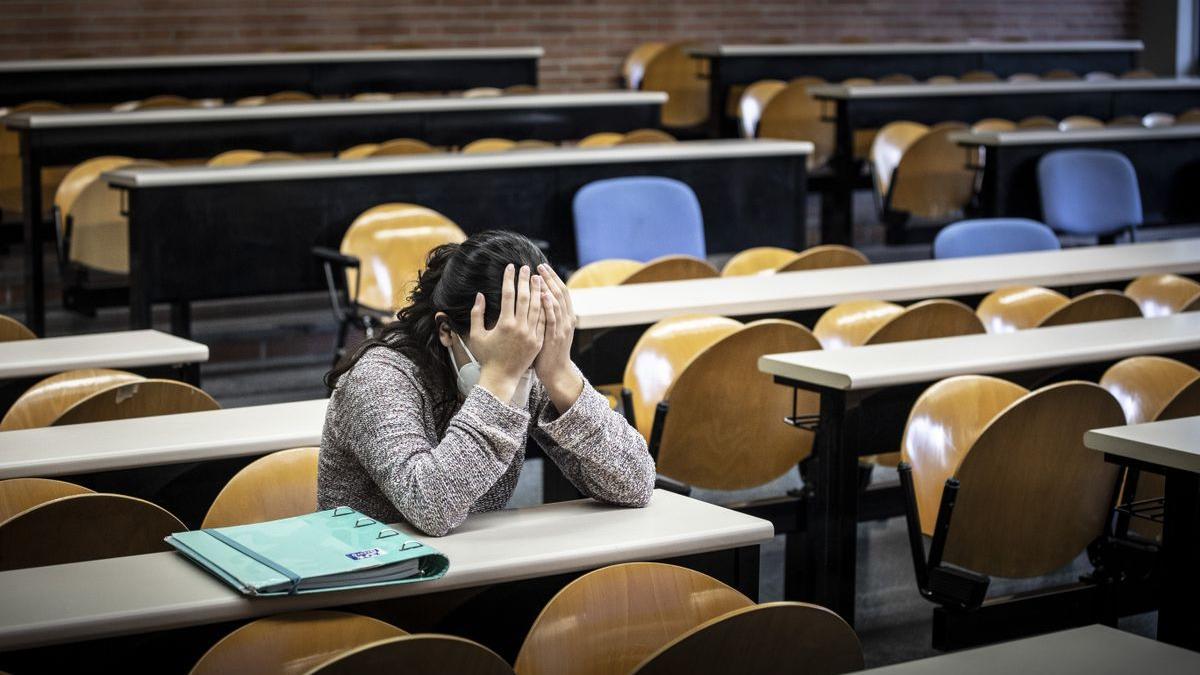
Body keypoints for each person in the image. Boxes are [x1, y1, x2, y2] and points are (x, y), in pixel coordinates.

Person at [318, 230, 656, 536]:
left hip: (476, 570)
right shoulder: (378, 379)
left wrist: (561, 373)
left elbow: (635, 483)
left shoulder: (527, 360)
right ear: (446, 330)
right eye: (501, 353)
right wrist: (499, 379)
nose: (521, 367)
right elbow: (431, 509)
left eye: (528, 347)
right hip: (376, 585)